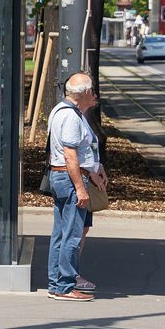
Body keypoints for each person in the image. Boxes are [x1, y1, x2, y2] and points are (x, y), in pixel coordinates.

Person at [45, 72, 107, 301]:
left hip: (62, 178)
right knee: (71, 235)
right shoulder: (71, 117)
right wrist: (81, 188)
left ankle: (56, 283)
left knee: (61, 234)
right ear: (84, 93)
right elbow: (71, 156)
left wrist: (95, 167)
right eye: (91, 91)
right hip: (70, 179)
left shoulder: (62, 111)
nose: (94, 95)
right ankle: (65, 286)